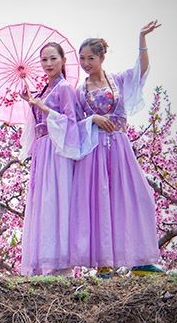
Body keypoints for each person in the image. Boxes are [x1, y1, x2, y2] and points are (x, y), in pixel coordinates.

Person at [71, 21, 163, 274]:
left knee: (136, 196)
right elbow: (74, 124)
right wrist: (93, 119)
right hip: (95, 151)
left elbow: (142, 70)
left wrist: (142, 39)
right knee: (100, 201)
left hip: (120, 147)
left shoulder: (118, 81)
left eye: (90, 58)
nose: (86, 63)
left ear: (102, 57)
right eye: (82, 58)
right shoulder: (80, 92)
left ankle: (141, 259)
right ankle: (104, 264)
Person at [17, 42, 81, 275]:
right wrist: (31, 102)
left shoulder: (65, 88)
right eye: (44, 60)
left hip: (57, 150)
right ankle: (43, 261)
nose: (48, 64)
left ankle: (61, 263)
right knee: (43, 203)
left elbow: (72, 123)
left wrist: (44, 109)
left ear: (63, 60)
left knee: (57, 200)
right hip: (42, 151)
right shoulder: (44, 91)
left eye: (53, 58)